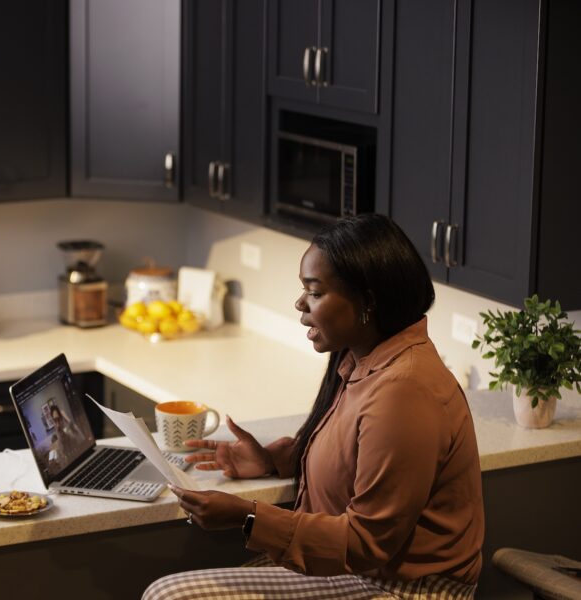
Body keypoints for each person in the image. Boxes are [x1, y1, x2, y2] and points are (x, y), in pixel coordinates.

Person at [144, 214, 484, 600]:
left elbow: (367, 543)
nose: (300, 303)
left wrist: (248, 516)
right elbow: (355, 453)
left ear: (368, 301)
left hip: (404, 589)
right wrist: (277, 460)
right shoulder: (363, 360)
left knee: (170, 595)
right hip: (356, 573)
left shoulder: (403, 390)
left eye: (316, 292)